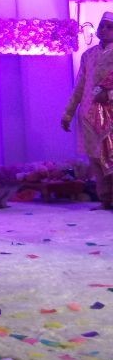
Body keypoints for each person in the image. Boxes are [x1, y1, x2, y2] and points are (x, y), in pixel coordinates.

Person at [62, 11, 113, 210]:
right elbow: (79, 87)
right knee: (95, 157)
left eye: (109, 27)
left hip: (110, 113)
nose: (104, 30)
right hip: (88, 113)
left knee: (110, 155)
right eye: (102, 26)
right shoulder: (88, 55)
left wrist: (109, 95)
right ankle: (106, 199)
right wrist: (68, 113)